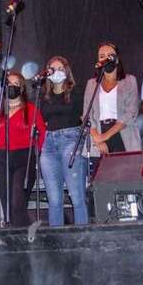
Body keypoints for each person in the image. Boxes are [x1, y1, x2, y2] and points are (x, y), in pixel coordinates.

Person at [39, 56, 88, 226]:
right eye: (52, 69)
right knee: (54, 199)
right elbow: (40, 119)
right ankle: (56, 241)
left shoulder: (75, 91)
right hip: (48, 143)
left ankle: (82, 234)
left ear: (66, 71)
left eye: (60, 68)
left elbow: (82, 115)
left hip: (70, 139)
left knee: (76, 195)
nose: (57, 72)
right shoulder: (43, 95)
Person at [0, 71, 46, 227]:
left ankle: (21, 234)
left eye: (16, 84)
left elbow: (41, 133)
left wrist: (36, 154)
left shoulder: (30, 109)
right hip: (3, 158)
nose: (12, 87)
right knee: (6, 200)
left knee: (17, 198)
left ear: (21, 89)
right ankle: (12, 233)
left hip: (24, 157)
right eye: (9, 84)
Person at [84, 43, 141, 165]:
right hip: (98, 134)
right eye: (101, 56)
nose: (105, 58)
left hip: (122, 132)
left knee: (124, 177)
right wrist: (98, 139)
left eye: (109, 55)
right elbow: (87, 115)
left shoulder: (130, 81)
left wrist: (106, 136)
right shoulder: (91, 84)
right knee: (100, 179)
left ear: (117, 59)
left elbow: (131, 113)